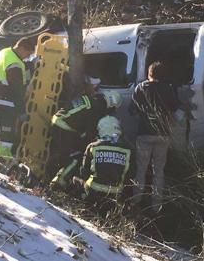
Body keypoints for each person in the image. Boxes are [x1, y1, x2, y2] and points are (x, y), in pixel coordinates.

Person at [131, 61, 182, 213]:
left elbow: (132, 110)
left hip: (144, 134)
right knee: (159, 171)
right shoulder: (168, 89)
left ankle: (135, 202)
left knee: (141, 170)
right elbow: (175, 109)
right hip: (163, 135)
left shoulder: (140, 88)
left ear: (149, 74)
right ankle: (156, 207)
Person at [48, 90, 122, 187]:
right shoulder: (97, 109)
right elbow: (89, 134)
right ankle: (59, 181)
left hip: (57, 120)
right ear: (111, 105)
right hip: (64, 127)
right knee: (79, 155)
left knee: (69, 151)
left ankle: (54, 174)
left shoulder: (89, 99)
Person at [0, 37, 36, 158]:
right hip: (6, 102)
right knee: (6, 132)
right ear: (21, 48)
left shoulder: (5, 52)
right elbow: (17, 90)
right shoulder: (14, 65)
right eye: (27, 53)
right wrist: (22, 110)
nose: (27, 57)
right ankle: (3, 158)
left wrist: (30, 65)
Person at [76, 115, 132, 215]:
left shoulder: (92, 146)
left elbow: (84, 171)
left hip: (93, 191)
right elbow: (131, 175)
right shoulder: (129, 150)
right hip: (115, 194)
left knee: (76, 179)